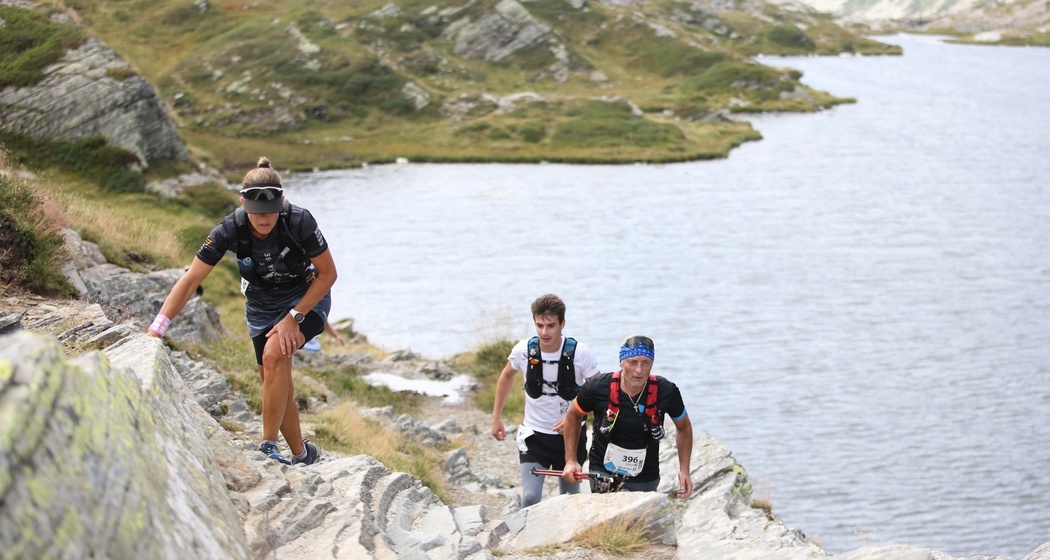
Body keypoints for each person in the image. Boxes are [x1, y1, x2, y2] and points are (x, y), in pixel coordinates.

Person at [147, 157, 337, 466]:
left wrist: (294, 317)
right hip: (261, 306)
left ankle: (268, 445)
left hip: (306, 299)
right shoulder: (229, 229)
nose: (264, 219)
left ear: (282, 202)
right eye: (256, 213)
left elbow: (328, 274)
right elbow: (191, 279)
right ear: (242, 203)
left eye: (271, 212)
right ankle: (303, 454)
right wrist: (158, 325)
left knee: (275, 354)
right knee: (274, 376)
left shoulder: (300, 221)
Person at [491, 294, 600, 508]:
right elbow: (506, 376)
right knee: (530, 498)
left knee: (568, 500)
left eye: (551, 326)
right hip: (533, 436)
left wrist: (574, 415)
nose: (544, 332)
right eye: (539, 325)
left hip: (570, 437)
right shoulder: (523, 351)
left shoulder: (581, 353)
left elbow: (598, 391)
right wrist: (496, 417)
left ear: (562, 324)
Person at [561, 334, 693, 498]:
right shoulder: (597, 388)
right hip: (602, 469)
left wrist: (684, 470)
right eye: (633, 362)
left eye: (646, 363)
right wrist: (571, 460)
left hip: (645, 474)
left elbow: (684, 427)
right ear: (621, 362)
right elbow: (573, 416)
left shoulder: (667, 391)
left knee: (639, 522)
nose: (639, 370)